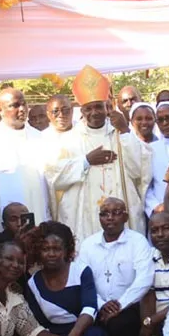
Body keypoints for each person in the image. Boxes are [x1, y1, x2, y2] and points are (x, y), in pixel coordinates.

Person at [46, 65, 152, 240]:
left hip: (120, 207)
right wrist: (86, 161)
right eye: (88, 108)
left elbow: (138, 170)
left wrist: (125, 131)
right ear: (82, 111)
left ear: (107, 107)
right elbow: (54, 176)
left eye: (98, 107)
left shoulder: (120, 134)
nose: (94, 112)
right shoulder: (69, 139)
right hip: (85, 217)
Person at [26, 221, 114, 336]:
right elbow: (38, 322)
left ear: (67, 250)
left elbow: (90, 307)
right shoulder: (33, 283)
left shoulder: (80, 271)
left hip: (85, 327)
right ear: (38, 251)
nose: (51, 254)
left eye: (57, 249)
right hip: (55, 335)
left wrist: (74, 335)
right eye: (45, 249)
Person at [77, 197, 154, 336]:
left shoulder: (138, 241)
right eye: (104, 214)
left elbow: (144, 279)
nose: (110, 218)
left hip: (129, 306)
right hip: (98, 306)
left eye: (116, 213)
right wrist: (101, 305)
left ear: (126, 217)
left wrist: (120, 305)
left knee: (120, 324)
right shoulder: (88, 245)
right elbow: (83, 280)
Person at [0, 88, 51, 231]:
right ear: (0, 110)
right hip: (5, 228)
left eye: (24, 104)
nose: (22, 109)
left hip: (39, 221)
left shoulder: (40, 138)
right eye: (14, 105)